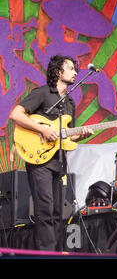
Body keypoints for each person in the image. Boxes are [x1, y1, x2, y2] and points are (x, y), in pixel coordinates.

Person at [9, 55, 93, 251]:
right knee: (44, 209)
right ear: (58, 72)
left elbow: (68, 138)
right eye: (70, 68)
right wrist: (43, 130)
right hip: (39, 161)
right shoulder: (43, 93)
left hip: (59, 161)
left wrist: (82, 135)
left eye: (75, 69)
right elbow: (16, 114)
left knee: (57, 212)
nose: (75, 72)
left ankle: (55, 252)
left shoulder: (70, 103)